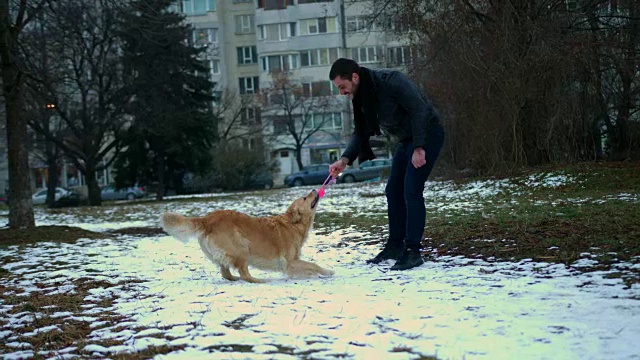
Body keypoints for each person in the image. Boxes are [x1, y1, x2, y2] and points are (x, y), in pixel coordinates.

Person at [328, 58, 444, 270]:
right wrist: (344, 160)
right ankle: (395, 246)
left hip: (427, 134)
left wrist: (419, 147)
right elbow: (361, 132)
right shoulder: (362, 97)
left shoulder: (391, 80)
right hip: (407, 140)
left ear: (354, 77)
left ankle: (413, 251)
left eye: (342, 87)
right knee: (393, 191)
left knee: (411, 191)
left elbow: (419, 109)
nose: (342, 93)